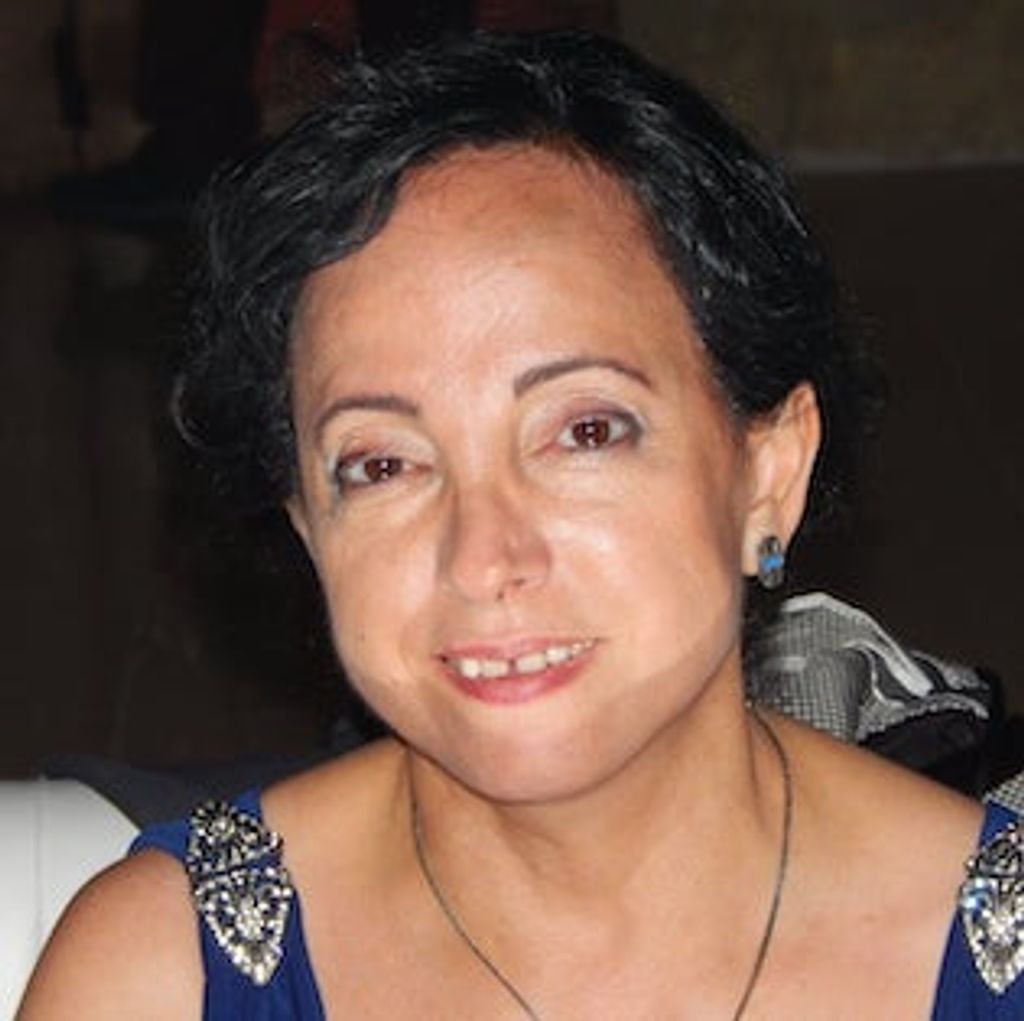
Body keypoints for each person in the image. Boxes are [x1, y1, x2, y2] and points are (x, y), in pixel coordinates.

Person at [19, 30, 1023, 1019]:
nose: (483, 556)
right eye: (383, 464)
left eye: (584, 431)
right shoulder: (162, 977)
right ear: (309, 528)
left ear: (769, 469)